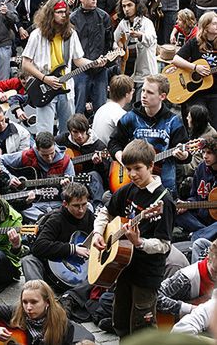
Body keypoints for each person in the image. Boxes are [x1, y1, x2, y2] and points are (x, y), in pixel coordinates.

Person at [93, 139, 176, 337]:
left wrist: (139, 242)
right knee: (120, 321)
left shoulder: (163, 201)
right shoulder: (129, 189)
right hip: (122, 268)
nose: (132, 174)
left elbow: (164, 245)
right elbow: (105, 211)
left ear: (150, 165)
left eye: (137, 168)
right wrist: (97, 232)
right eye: (128, 169)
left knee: (142, 328)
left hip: (146, 274)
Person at [21, 0, 106, 135]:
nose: (64, 15)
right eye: (59, 12)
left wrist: (95, 63)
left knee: (67, 131)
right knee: (45, 131)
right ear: (50, 14)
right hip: (45, 86)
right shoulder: (37, 35)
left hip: (66, 89)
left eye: (65, 12)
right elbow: (26, 63)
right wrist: (44, 78)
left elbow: (78, 60)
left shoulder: (71, 34)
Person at [108, 74, 191, 196]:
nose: (144, 95)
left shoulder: (174, 121)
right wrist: (124, 161)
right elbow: (114, 143)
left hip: (164, 185)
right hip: (133, 184)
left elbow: (187, 155)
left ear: (162, 96)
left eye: (150, 92)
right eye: (143, 90)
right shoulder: (130, 117)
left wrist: (183, 155)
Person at [0, 131, 74, 220]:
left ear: (54, 145)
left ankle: (46, 220)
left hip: (57, 202)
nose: (50, 158)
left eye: (52, 153)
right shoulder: (27, 155)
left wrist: (66, 188)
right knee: (22, 208)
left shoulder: (66, 161)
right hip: (34, 205)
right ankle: (47, 220)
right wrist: (10, 177)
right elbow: (0, 160)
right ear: (37, 149)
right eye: (45, 155)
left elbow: (72, 194)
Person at [0, 280, 75, 344]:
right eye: (25, 302)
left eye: (34, 302)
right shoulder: (18, 311)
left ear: (47, 302)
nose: (28, 307)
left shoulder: (64, 326)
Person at [70, 0, 112, 114]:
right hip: (80, 70)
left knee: (100, 108)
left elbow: (109, 42)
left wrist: (107, 61)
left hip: (100, 70)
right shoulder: (73, 19)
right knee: (78, 107)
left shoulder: (104, 16)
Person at [171, 11, 217, 130]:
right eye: (214, 24)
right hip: (195, 92)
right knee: (197, 121)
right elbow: (176, 59)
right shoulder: (194, 43)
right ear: (206, 26)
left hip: (214, 92)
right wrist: (195, 68)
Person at [55, 114, 107, 209]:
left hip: (87, 180)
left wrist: (99, 164)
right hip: (67, 179)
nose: (80, 136)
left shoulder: (98, 146)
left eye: (83, 132)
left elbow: (104, 175)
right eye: (75, 132)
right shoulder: (61, 140)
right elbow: (47, 149)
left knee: (94, 174)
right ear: (70, 131)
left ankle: (98, 206)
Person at [157, 239, 217, 319]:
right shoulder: (186, 278)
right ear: (208, 258)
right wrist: (191, 309)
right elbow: (155, 297)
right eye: (215, 271)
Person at [114, 0, 157, 101]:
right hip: (129, 73)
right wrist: (119, 48)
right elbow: (115, 40)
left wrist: (140, 36)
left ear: (136, 6)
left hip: (145, 72)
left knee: (141, 106)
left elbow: (151, 40)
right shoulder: (123, 23)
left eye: (129, 5)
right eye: (124, 6)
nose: (126, 9)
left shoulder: (146, 23)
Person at [176, 136, 217, 242]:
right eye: (203, 152)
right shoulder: (200, 169)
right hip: (200, 217)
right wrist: (187, 204)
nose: (205, 156)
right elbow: (194, 196)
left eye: (209, 153)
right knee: (177, 214)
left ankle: (199, 235)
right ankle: (206, 233)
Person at [92, 74, 134, 146]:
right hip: (109, 153)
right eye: (132, 90)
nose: (133, 92)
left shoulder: (102, 108)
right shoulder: (120, 114)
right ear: (127, 94)